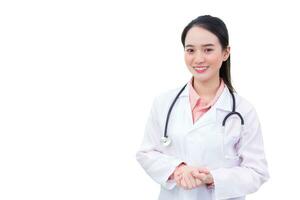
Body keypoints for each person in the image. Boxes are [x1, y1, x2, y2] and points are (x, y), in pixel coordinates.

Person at [136, 15, 269, 200]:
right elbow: (146, 153)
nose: (198, 58)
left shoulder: (243, 111)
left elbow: (257, 172)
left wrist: (212, 178)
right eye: (190, 50)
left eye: (208, 50)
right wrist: (177, 170)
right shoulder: (163, 103)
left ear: (225, 53)